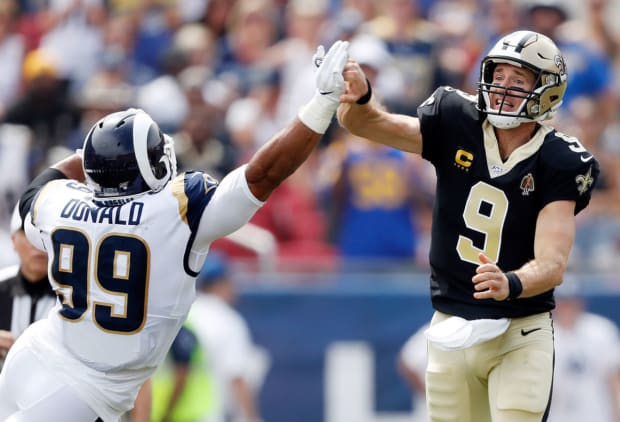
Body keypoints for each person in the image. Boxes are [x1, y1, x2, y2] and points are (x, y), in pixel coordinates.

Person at [0, 39, 349, 422]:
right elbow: (265, 172)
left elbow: (37, 190)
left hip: (32, 355)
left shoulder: (62, 201)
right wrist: (321, 105)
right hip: (83, 391)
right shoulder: (179, 208)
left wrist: (95, 155)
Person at [338, 30, 599, 422]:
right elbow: (368, 124)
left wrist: (510, 282)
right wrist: (359, 97)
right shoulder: (456, 118)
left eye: (519, 81)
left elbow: (553, 263)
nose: (503, 88)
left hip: (520, 331)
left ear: (546, 90)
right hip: (452, 325)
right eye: (499, 76)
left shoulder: (559, 159)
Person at [547, 276, 620, 422]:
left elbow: (614, 380)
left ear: (580, 302)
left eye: (570, 302)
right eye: (562, 302)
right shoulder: (543, 334)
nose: (567, 307)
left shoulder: (601, 330)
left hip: (596, 416)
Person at [0, 205, 55, 371]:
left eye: (44, 233)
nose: (37, 243)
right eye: (27, 232)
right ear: (13, 240)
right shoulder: (2, 284)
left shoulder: (75, 293)